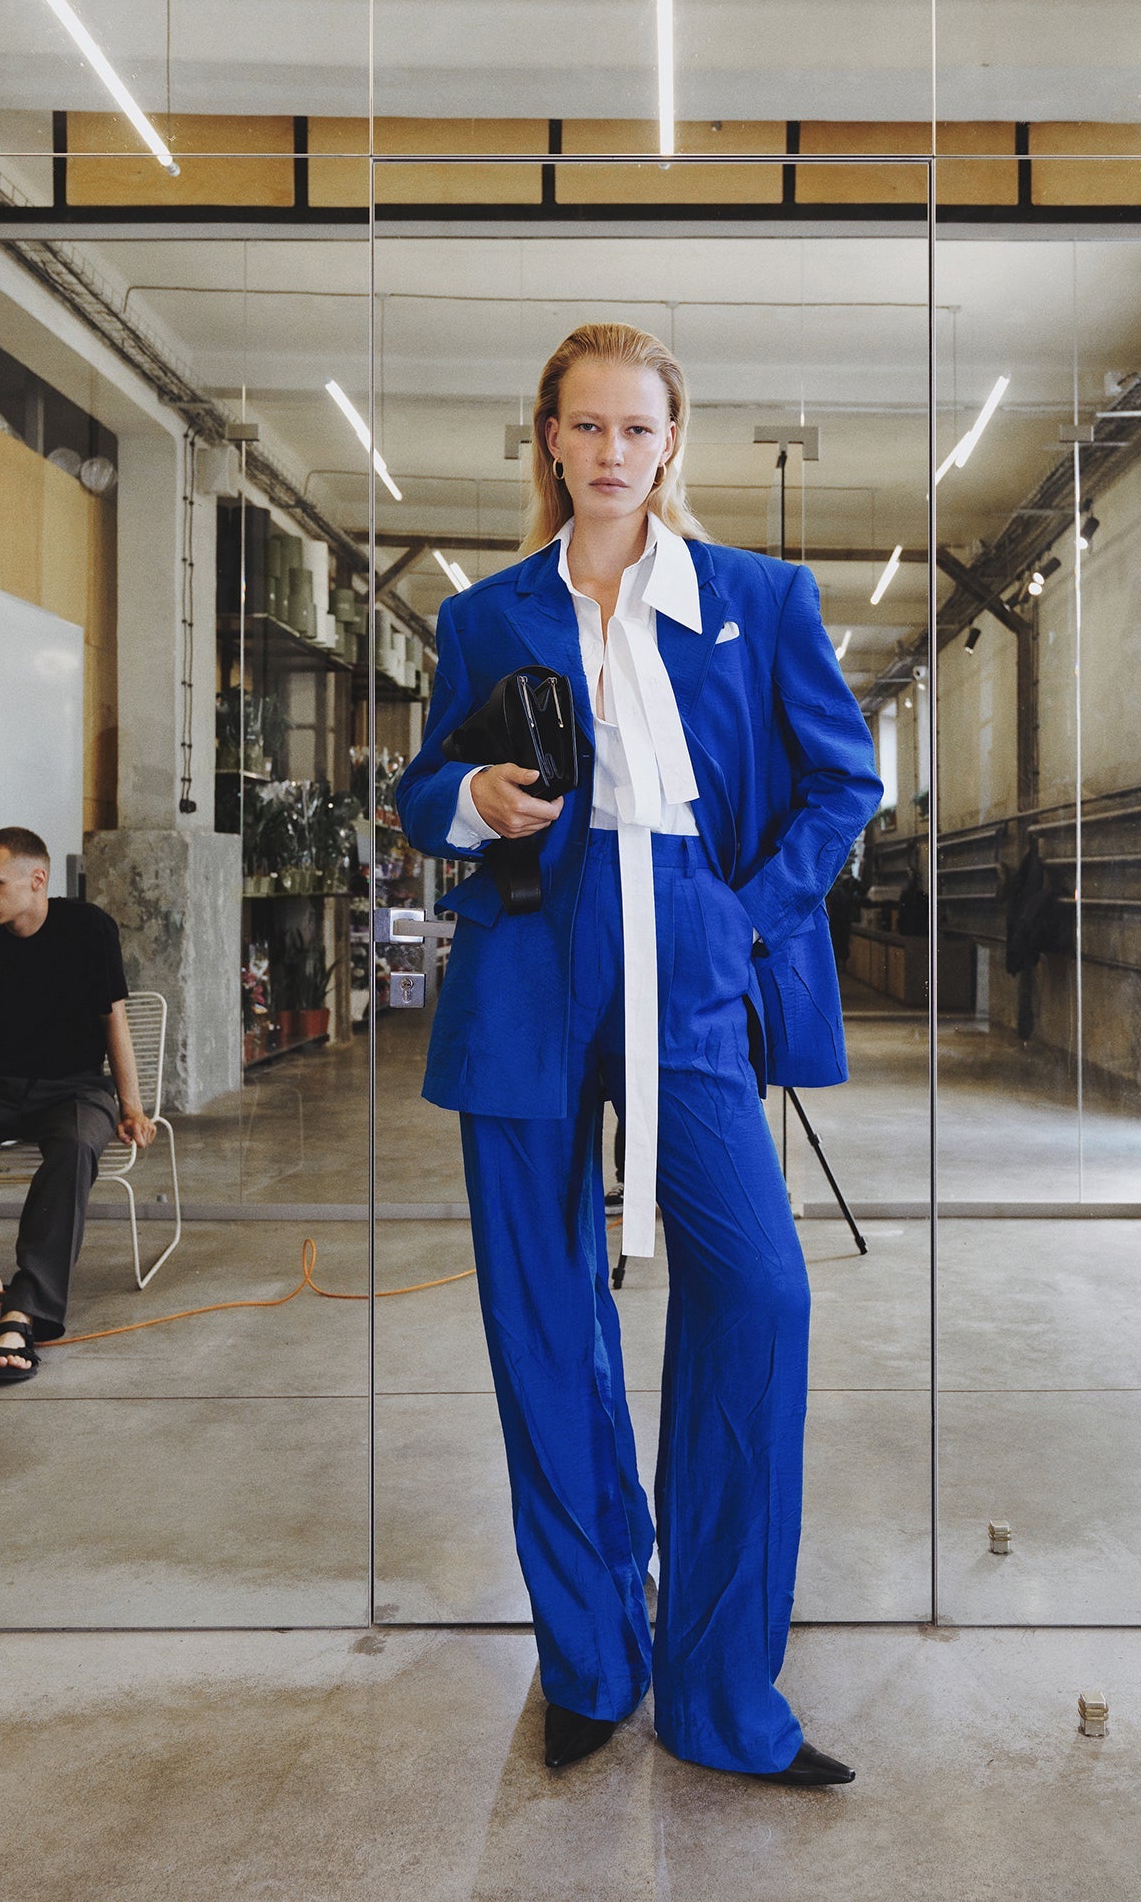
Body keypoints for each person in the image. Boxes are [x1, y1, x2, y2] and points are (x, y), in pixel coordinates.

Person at [396, 324, 881, 1785]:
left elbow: (840, 779)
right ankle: (591, 1663)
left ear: (673, 443)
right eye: (584, 426)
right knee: (543, 1318)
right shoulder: (484, 616)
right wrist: (472, 794)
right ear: (547, 437)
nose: (610, 451)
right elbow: (423, 795)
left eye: (636, 428)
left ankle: (724, 1694)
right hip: (528, 954)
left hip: (692, 927)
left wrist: (743, 925)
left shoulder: (755, 598)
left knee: (760, 1292)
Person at [0, 828, 156, 1382]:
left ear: (36, 880)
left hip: (75, 1087)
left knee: (76, 1147)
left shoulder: (87, 928)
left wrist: (131, 1105)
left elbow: (113, 1018)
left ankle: (22, 1312)